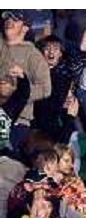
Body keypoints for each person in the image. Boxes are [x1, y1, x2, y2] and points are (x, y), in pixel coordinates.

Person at [0, 10, 52, 149]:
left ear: (25, 28)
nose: (9, 21)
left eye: (16, 19)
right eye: (7, 18)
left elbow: (45, 89)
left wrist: (15, 93)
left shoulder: (33, 55)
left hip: (16, 121)